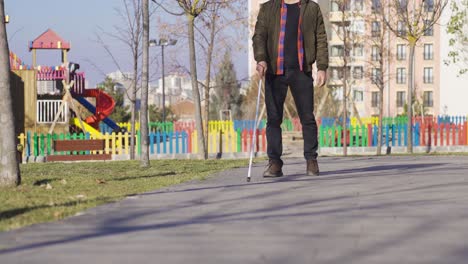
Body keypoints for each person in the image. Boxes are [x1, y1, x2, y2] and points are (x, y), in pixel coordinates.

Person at [252, 0, 328, 177]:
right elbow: (259, 36)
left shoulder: (311, 8)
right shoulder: (268, 8)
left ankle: (311, 161)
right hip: (274, 70)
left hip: (301, 70)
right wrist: (261, 59)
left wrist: (322, 66)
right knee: (273, 119)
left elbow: (321, 37)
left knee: (307, 118)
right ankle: (275, 163)